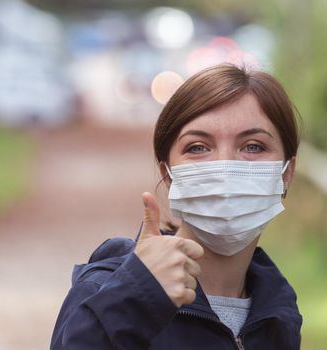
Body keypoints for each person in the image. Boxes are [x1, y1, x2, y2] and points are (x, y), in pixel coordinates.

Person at [50, 64, 302, 349]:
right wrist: (135, 297)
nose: (224, 166)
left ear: (286, 173)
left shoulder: (279, 313)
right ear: (168, 174)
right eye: (198, 147)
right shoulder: (104, 294)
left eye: (253, 146)